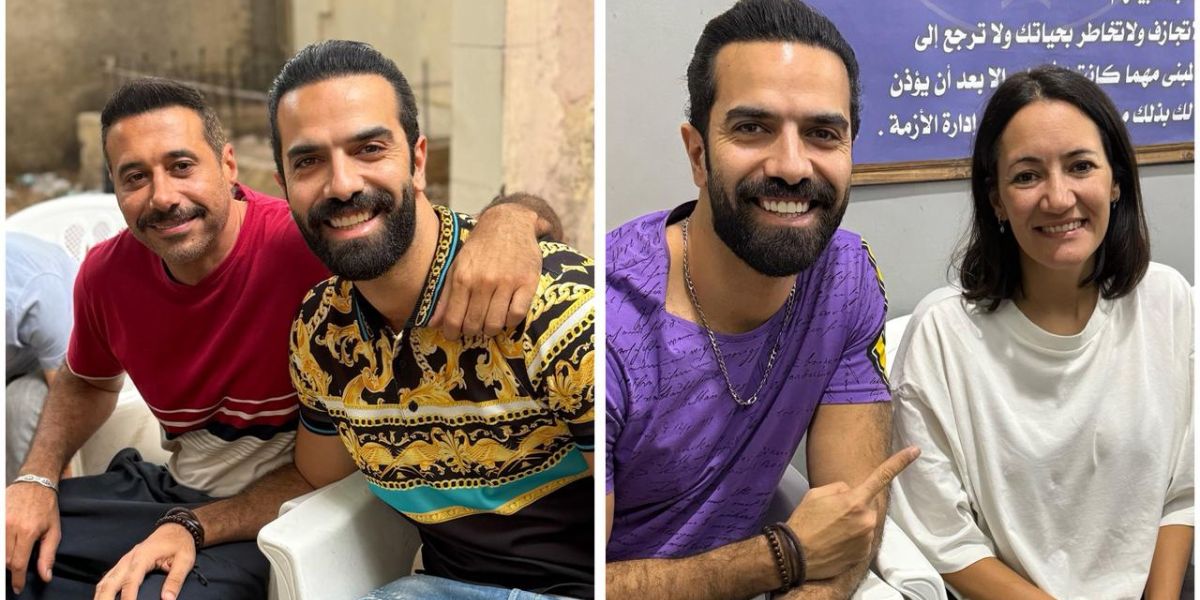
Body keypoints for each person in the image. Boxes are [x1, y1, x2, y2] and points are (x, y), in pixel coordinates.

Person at [5, 77, 558, 600]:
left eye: (181, 166)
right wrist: (35, 478)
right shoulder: (107, 275)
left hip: (284, 513)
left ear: (228, 165)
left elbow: (440, 241)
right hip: (168, 491)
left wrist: (510, 219)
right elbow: (86, 381)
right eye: (134, 177)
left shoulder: (318, 248)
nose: (164, 196)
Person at [605, 1, 918, 598]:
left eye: (823, 134)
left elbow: (849, 518)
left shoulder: (844, 274)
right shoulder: (609, 322)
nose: (793, 167)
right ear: (698, 154)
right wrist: (782, 556)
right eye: (753, 128)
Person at [270, 41, 595, 600]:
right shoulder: (321, 332)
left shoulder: (556, 310)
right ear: (283, 185)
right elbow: (314, 478)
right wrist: (193, 526)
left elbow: (649, 515)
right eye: (308, 161)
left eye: (370, 149)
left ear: (418, 161)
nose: (342, 184)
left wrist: (514, 215)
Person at [888, 65, 1193, 599]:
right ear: (997, 199)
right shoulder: (942, 336)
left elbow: (1183, 490)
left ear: (1116, 181)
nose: (1058, 197)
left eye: (1080, 166)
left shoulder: (1167, 301)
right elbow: (943, 536)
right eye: (1027, 176)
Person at [6, 234, 79, 485]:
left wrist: (56, 484)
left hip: (69, 359)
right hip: (15, 359)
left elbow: (68, 398)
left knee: (23, 402)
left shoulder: (35, 289)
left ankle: (33, 498)